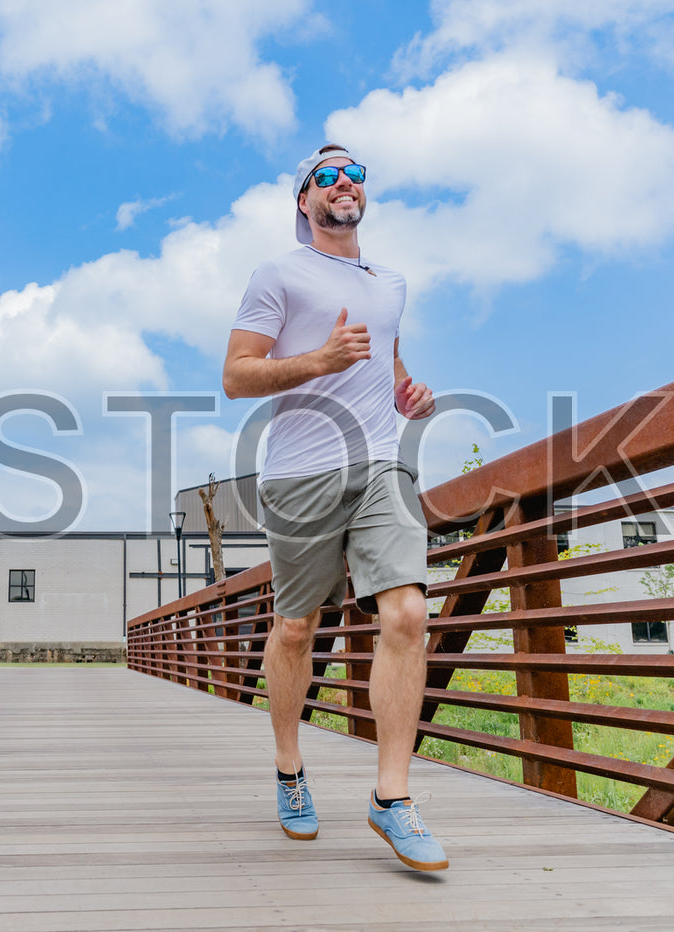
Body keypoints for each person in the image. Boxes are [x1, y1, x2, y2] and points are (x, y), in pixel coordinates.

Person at [222, 144, 446, 871]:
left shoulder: (390, 281)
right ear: (303, 200)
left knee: (407, 613)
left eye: (354, 173)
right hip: (299, 472)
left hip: (381, 463)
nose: (344, 182)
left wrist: (408, 394)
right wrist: (318, 359)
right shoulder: (278, 274)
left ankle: (392, 795)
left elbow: (387, 360)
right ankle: (290, 770)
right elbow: (237, 376)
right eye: (327, 175)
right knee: (295, 628)